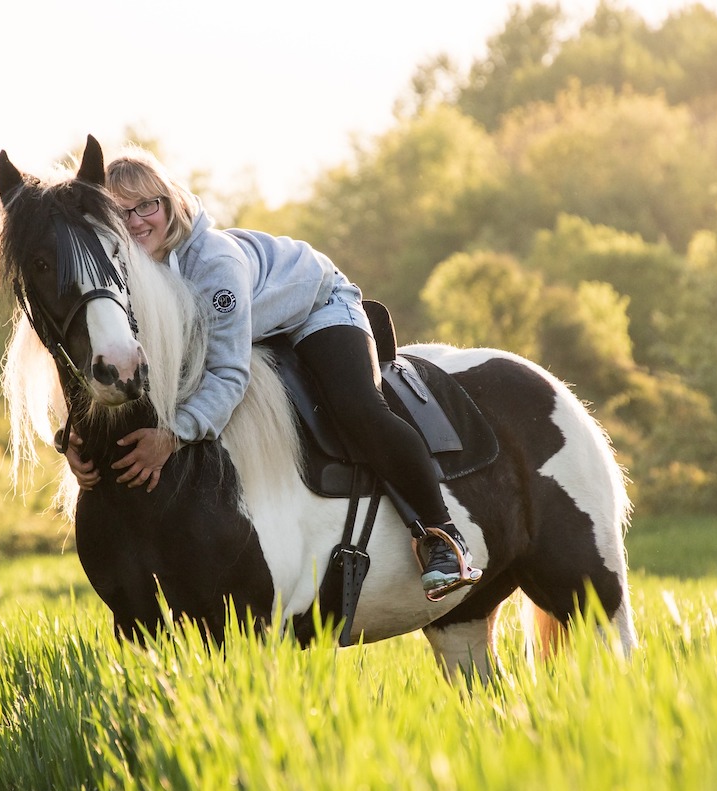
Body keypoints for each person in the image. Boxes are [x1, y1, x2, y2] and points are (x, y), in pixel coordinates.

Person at [66, 144, 480, 599]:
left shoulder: (213, 265)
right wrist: (72, 438)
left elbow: (228, 372)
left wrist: (176, 434)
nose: (137, 221)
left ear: (170, 203)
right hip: (250, 321)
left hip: (316, 305)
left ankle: (442, 537)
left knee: (356, 407)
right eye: (122, 212)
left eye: (148, 205)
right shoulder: (122, 270)